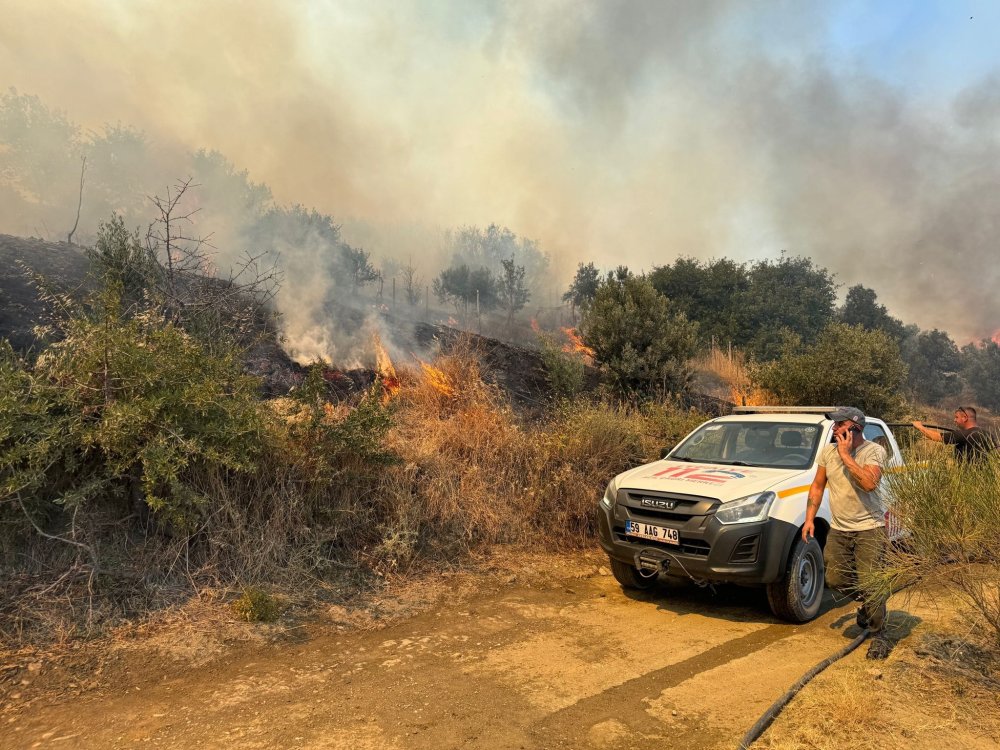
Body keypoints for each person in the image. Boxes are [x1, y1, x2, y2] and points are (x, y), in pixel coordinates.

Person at [802, 407, 892, 660]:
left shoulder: (874, 451)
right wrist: (809, 519)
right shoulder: (828, 451)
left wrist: (846, 455)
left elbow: (869, 483)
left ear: (855, 428)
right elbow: (818, 486)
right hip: (840, 528)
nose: (834, 428)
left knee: (872, 581)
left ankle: (879, 634)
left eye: (839, 424)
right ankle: (870, 603)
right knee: (835, 579)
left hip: (870, 528)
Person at [912, 406, 994, 463]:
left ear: (965, 418)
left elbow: (936, 437)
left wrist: (920, 427)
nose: (954, 420)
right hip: (986, 479)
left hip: (966, 480)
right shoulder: (989, 434)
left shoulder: (963, 434)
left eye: (956, 417)